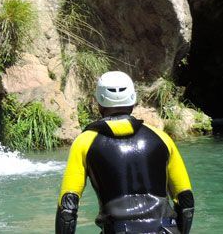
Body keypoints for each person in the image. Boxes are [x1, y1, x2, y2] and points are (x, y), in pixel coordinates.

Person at [56, 71, 195, 234]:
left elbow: (68, 207)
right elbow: (186, 200)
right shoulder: (162, 138)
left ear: (99, 102)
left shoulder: (85, 142)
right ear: (133, 99)